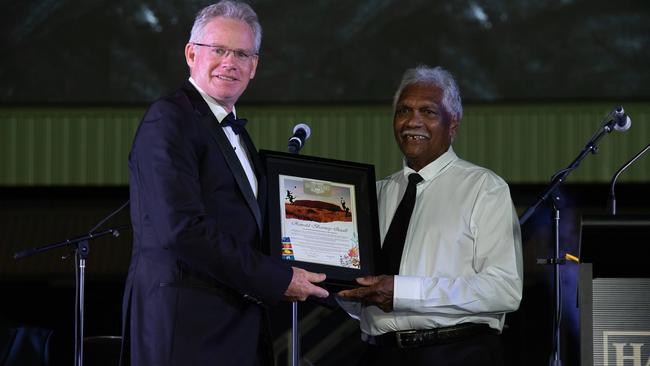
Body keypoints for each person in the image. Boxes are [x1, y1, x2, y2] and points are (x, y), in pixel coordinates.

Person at [119, 2, 329, 365]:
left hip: (234, 325)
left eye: (242, 53)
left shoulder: (234, 131)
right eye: (218, 50)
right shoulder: (170, 119)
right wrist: (277, 278)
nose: (230, 62)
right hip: (186, 329)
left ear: (254, 66)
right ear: (191, 54)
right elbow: (182, 229)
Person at [338, 65, 523, 366]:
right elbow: (363, 289)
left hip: (454, 354)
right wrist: (337, 285)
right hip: (378, 354)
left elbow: (504, 289)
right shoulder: (373, 194)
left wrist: (404, 291)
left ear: (454, 124)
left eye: (428, 112)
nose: (413, 121)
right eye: (404, 111)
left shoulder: (484, 188)